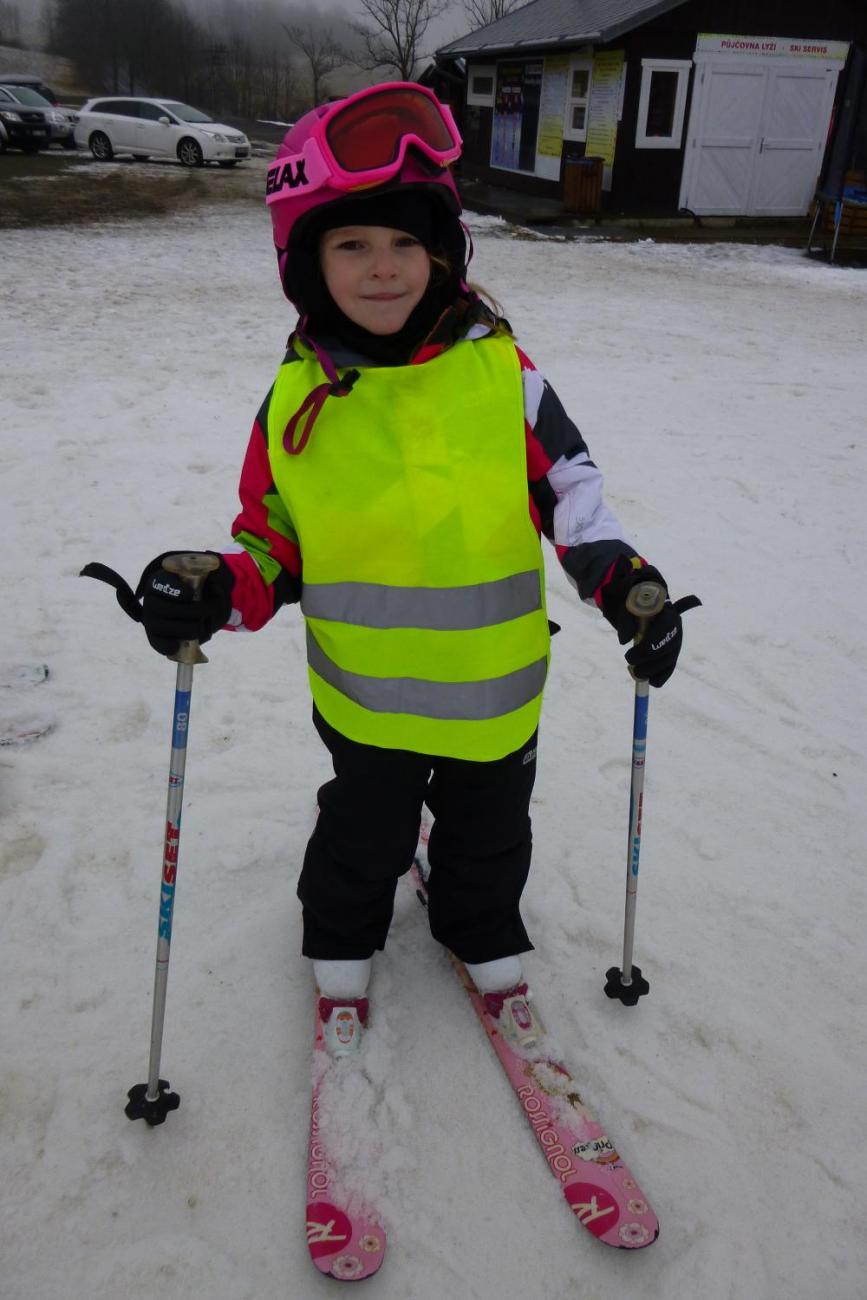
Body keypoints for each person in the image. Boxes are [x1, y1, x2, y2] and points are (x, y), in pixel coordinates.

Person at [90, 83, 698, 1058]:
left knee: (490, 837)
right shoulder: (299, 399)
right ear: (307, 263)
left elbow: (571, 492)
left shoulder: (504, 373)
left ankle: (480, 927)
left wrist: (628, 586)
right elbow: (272, 539)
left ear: (443, 251)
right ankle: (340, 940)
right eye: (352, 245)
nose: (383, 268)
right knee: (362, 836)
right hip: (365, 700)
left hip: (496, 697)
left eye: (405, 244)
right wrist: (213, 588)